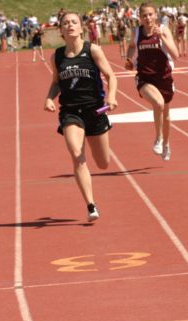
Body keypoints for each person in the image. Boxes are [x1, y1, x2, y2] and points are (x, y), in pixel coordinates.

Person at [44, 12, 118, 222]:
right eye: (66, 23)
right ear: (61, 30)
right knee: (76, 153)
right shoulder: (57, 56)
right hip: (70, 111)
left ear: (80, 28)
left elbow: (111, 76)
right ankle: (91, 205)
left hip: (95, 111)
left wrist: (111, 96)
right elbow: (56, 82)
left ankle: (92, 196)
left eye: (74, 22)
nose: (70, 26)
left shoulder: (92, 50)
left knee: (103, 163)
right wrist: (49, 98)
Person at [125, 2, 180, 161]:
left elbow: (175, 54)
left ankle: (166, 144)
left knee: (166, 116)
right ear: (139, 18)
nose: (147, 18)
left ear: (156, 15)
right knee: (158, 103)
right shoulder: (136, 32)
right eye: (144, 15)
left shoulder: (164, 30)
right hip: (144, 78)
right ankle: (158, 138)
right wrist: (129, 58)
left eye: (150, 14)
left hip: (164, 78)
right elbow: (130, 46)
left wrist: (162, 36)